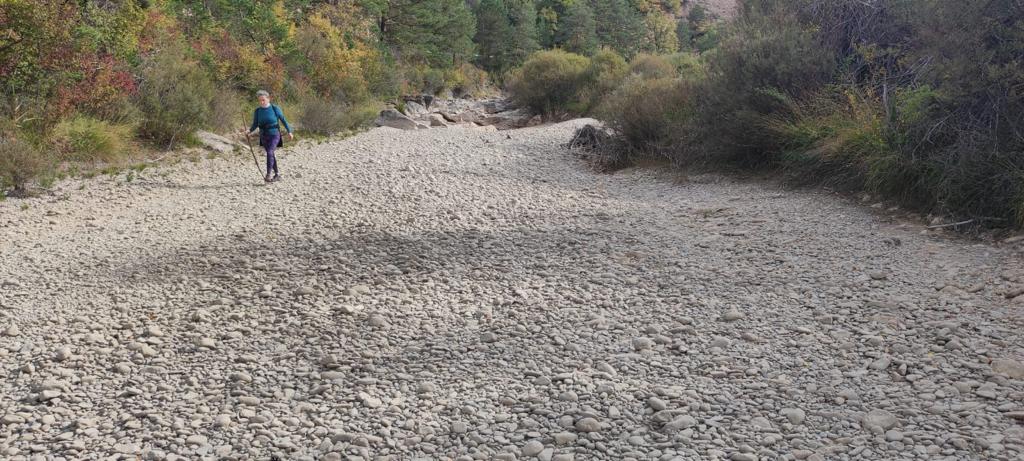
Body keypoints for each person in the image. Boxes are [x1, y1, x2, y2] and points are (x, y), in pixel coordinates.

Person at [246, 90, 293, 182]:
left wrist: (289, 131)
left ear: (268, 99)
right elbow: (255, 124)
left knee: (270, 152)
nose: (261, 102)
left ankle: (268, 174)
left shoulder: (275, 108)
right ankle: (277, 174)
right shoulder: (258, 111)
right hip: (263, 135)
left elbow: (283, 120)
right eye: (260, 100)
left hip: (274, 134)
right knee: (270, 153)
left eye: (263, 100)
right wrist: (248, 131)